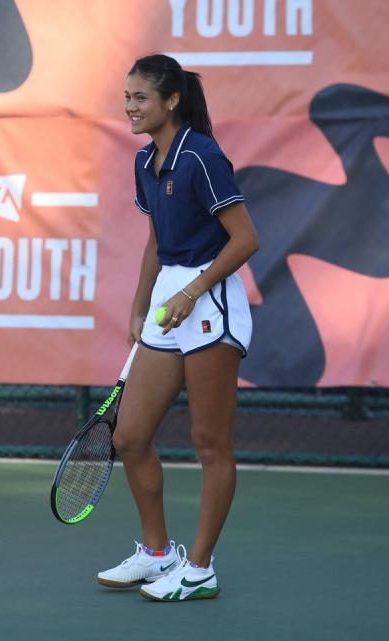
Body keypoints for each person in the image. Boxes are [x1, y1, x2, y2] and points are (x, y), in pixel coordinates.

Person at [96, 54, 258, 602]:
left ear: (170, 101)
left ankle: (202, 567)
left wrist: (191, 293)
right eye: (127, 98)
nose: (130, 107)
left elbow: (245, 240)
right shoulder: (146, 163)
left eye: (140, 98)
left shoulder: (204, 156)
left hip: (210, 300)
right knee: (130, 436)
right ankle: (158, 553)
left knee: (210, 442)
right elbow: (155, 240)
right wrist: (140, 306)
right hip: (169, 301)